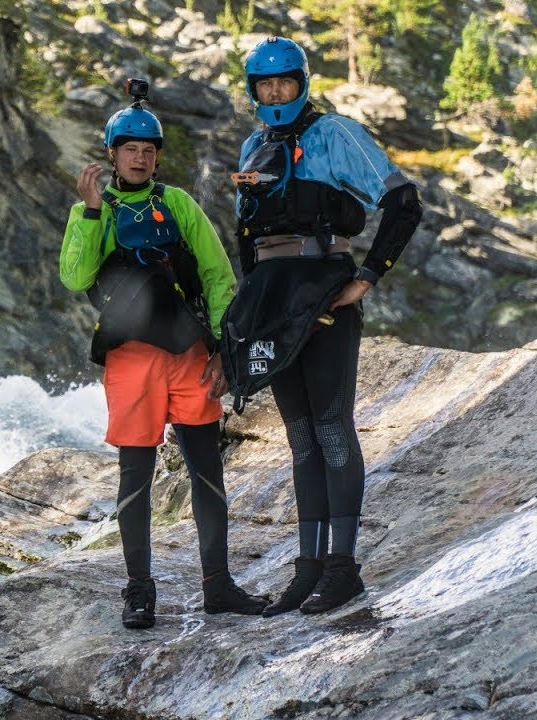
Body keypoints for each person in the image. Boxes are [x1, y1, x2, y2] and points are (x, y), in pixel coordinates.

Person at [223, 37, 423, 616]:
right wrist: (249, 306)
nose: (276, 92)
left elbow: (403, 202)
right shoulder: (254, 146)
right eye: (265, 85)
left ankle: (344, 568)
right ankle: (307, 569)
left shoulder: (335, 133)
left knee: (332, 427)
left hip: (325, 287)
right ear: (253, 91)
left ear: (301, 81)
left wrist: (367, 275)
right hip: (273, 296)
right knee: (301, 434)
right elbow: (246, 234)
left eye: (285, 81)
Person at [60, 80, 268, 629]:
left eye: (148, 151)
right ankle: (138, 591)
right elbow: (75, 275)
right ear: (112, 155)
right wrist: (87, 212)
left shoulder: (177, 204)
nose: (139, 157)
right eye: (130, 149)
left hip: (188, 353)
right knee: (135, 475)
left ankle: (218, 586)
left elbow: (219, 276)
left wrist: (225, 349)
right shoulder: (93, 211)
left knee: (206, 471)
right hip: (130, 359)